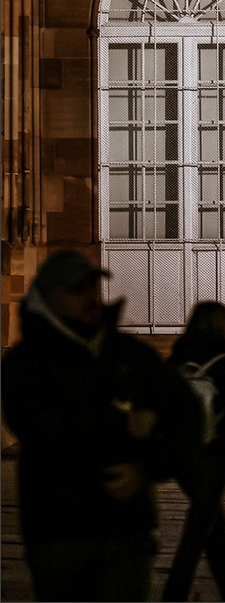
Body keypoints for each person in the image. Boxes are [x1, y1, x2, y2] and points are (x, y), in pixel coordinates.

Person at [1, 249, 202, 603]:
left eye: (94, 287)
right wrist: (129, 419)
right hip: (59, 530)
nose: (91, 298)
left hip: (126, 530)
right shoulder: (26, 363)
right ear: (48, 296)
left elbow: (187, 413)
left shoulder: (128, 353)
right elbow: (45, 431)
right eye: (78, 289)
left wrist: (148, 466)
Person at [162, 301, 225, 602]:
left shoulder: (176, 359)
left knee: (212, 521)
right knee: (200, 526)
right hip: (212, 455)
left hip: (180, 454)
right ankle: (174, 593)